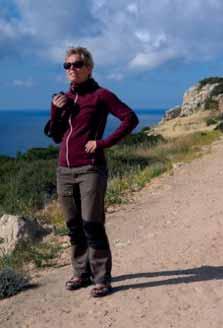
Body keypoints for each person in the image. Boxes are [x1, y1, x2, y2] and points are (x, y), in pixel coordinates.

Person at [44, 47, 139, 297]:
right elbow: (55, 136)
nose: (71, 69)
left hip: (90, 168)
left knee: (92, 224)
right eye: (67, 66)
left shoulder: (101, 95)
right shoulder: (63, 98)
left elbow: (130, 118)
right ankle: (81, 273)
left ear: (89, 68)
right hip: (64, 169)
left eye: (76, 64)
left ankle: (101, 277)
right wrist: (56, 111)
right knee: (73, 225)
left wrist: (103, 143)